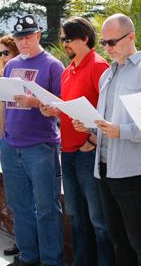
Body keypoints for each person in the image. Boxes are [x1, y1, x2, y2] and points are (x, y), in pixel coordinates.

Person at [73, 13, 141, 266]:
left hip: (131, 170)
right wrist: (90, 126)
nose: (108, 48)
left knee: (139, 239)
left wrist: (120, 131)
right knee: (117, 238)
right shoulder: (108, 74)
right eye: (104, 43)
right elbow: (107, 121)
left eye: (113, 42)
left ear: (132, 36)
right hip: (103, 168)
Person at [40, 17, 114, 266]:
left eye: (67, 38)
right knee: (76, 216)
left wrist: (92, 140)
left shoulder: (99, 67)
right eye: (62, 39)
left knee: (98, 220)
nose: (64, 43)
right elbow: (73, 109)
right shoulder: (68, 69)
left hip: (88, 152)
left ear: (84, 38)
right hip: (68, 151)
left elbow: (110, 111)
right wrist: (55, 111)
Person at [0, 14, 65, 266]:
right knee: (19, 205)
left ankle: (51, 260)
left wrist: (37, 103)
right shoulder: (10, 65)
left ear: (38, 35)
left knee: (47, 207)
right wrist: (3, 136)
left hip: (40, 145)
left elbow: (62, 105)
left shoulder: (52, 65)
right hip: (10, 144)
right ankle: (28, 256)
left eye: (27, 37)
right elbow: (5, 104)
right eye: (19, 38)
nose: (23, 42)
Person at [0, 34, 21, 257]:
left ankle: (30, 246)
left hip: (31, 143)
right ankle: (22, 242)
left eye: (6, 52)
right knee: (15, 199)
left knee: (33, 202)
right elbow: (3, 108)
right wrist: (2, 134)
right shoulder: (4, 72)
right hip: (8, 141)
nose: (2, 57)